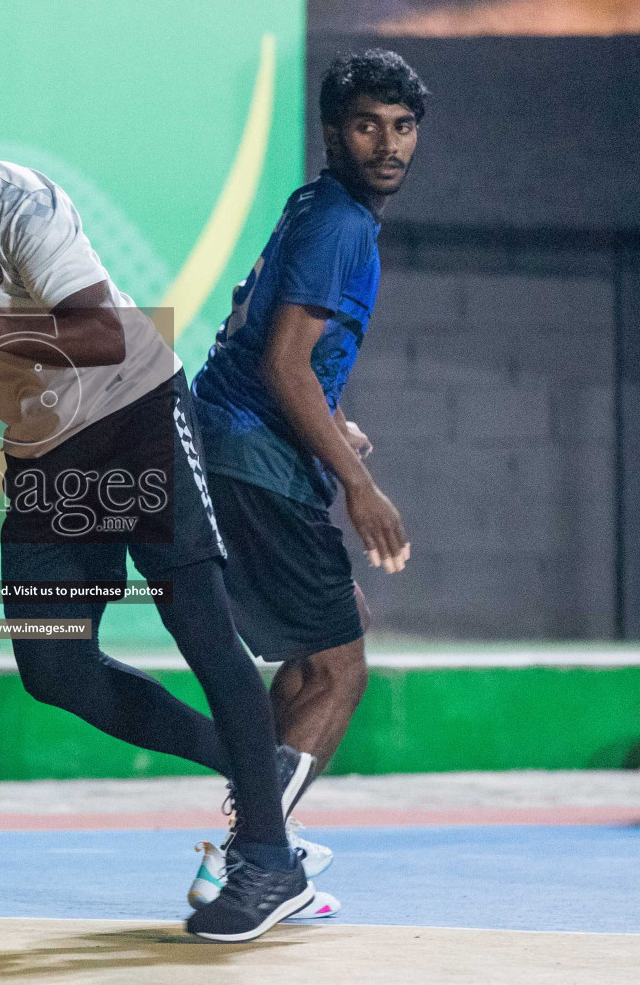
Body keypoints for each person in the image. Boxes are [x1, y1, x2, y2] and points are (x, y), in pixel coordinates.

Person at [0, 90, 320, 940]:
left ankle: (271, 859)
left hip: (134, 409)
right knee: (53, 668)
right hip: (47, 449)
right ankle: (256, 764)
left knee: (198, 622)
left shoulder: (17, 201)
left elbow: (103, 335)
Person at [186, 50, 426, 906]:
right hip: (255, 459)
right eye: (367, 125)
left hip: (229, 444)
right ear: (334, 132)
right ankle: (252, 864)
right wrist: (359, 486)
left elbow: (261, 343)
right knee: (340, 670)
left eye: (402, 127)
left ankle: (260, 843)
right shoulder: (341, 225)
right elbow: (286, 364)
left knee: (323, 638)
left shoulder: (316, 206)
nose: (387, 143)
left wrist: (332, 416)